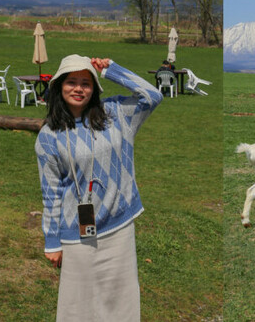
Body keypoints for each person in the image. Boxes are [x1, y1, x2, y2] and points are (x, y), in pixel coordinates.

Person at [35, 54, 163, 321]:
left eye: (86, 83)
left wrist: (111, 70)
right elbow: (51, 192)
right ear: (59, 86)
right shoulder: (49, 137)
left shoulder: (115, 114)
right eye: (71, 82)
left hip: (119, 228)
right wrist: (52, 241)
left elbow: (152, 96)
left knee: (121, 304)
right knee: (77, 307)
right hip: (77, 236)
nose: (79, 89)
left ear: (94, 89)